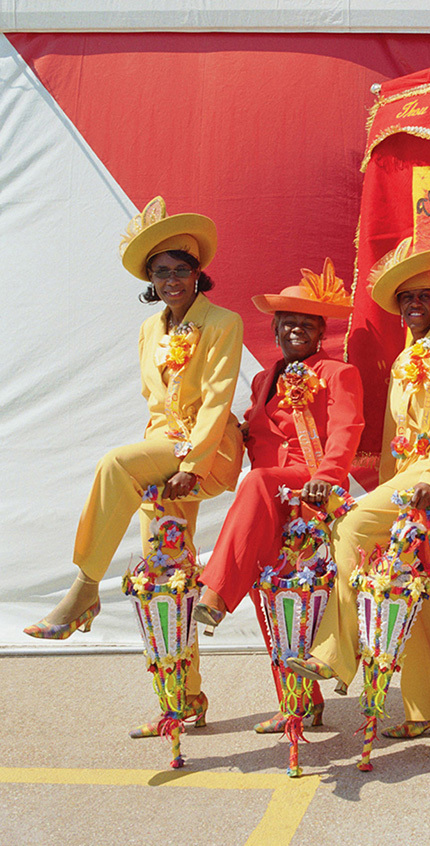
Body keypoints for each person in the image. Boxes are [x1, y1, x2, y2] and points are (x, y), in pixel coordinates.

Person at [25, 196, 244, 735]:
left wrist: (190, 462)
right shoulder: (150, 331)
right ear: (151, 280)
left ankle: (84, 589)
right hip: (162, 457)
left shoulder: (224, 322)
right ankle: (182, 701)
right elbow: (155, 405)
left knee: (113, 463)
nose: (172, 279)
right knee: (167, 577)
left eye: (181, 269)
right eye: (161, 272)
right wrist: (165, 461)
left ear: (199, 274)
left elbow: (217, 401)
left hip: (205, 453)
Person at [288, 242, 430, 740]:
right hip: (407, 482)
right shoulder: (404, 358)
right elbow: (395, 439)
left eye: (425, 296)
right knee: (406, 581)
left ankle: (337, 650)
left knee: (352, 524)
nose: (415, 304)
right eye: (406, 297)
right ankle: (429, 710)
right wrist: (394, 484)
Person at [193, 258, 364, 732]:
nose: (295, 330)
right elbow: (255, 436)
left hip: (307, 493)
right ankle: (298, 704)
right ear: (274, 327)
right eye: (287, 322)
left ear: (320, 331)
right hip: (266, 506)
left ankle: (214, 594)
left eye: (305, 324)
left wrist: (328, 479)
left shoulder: (338, 372)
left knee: (258, 482)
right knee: (272, 599)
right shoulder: (262, 379)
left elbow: (346, 432)